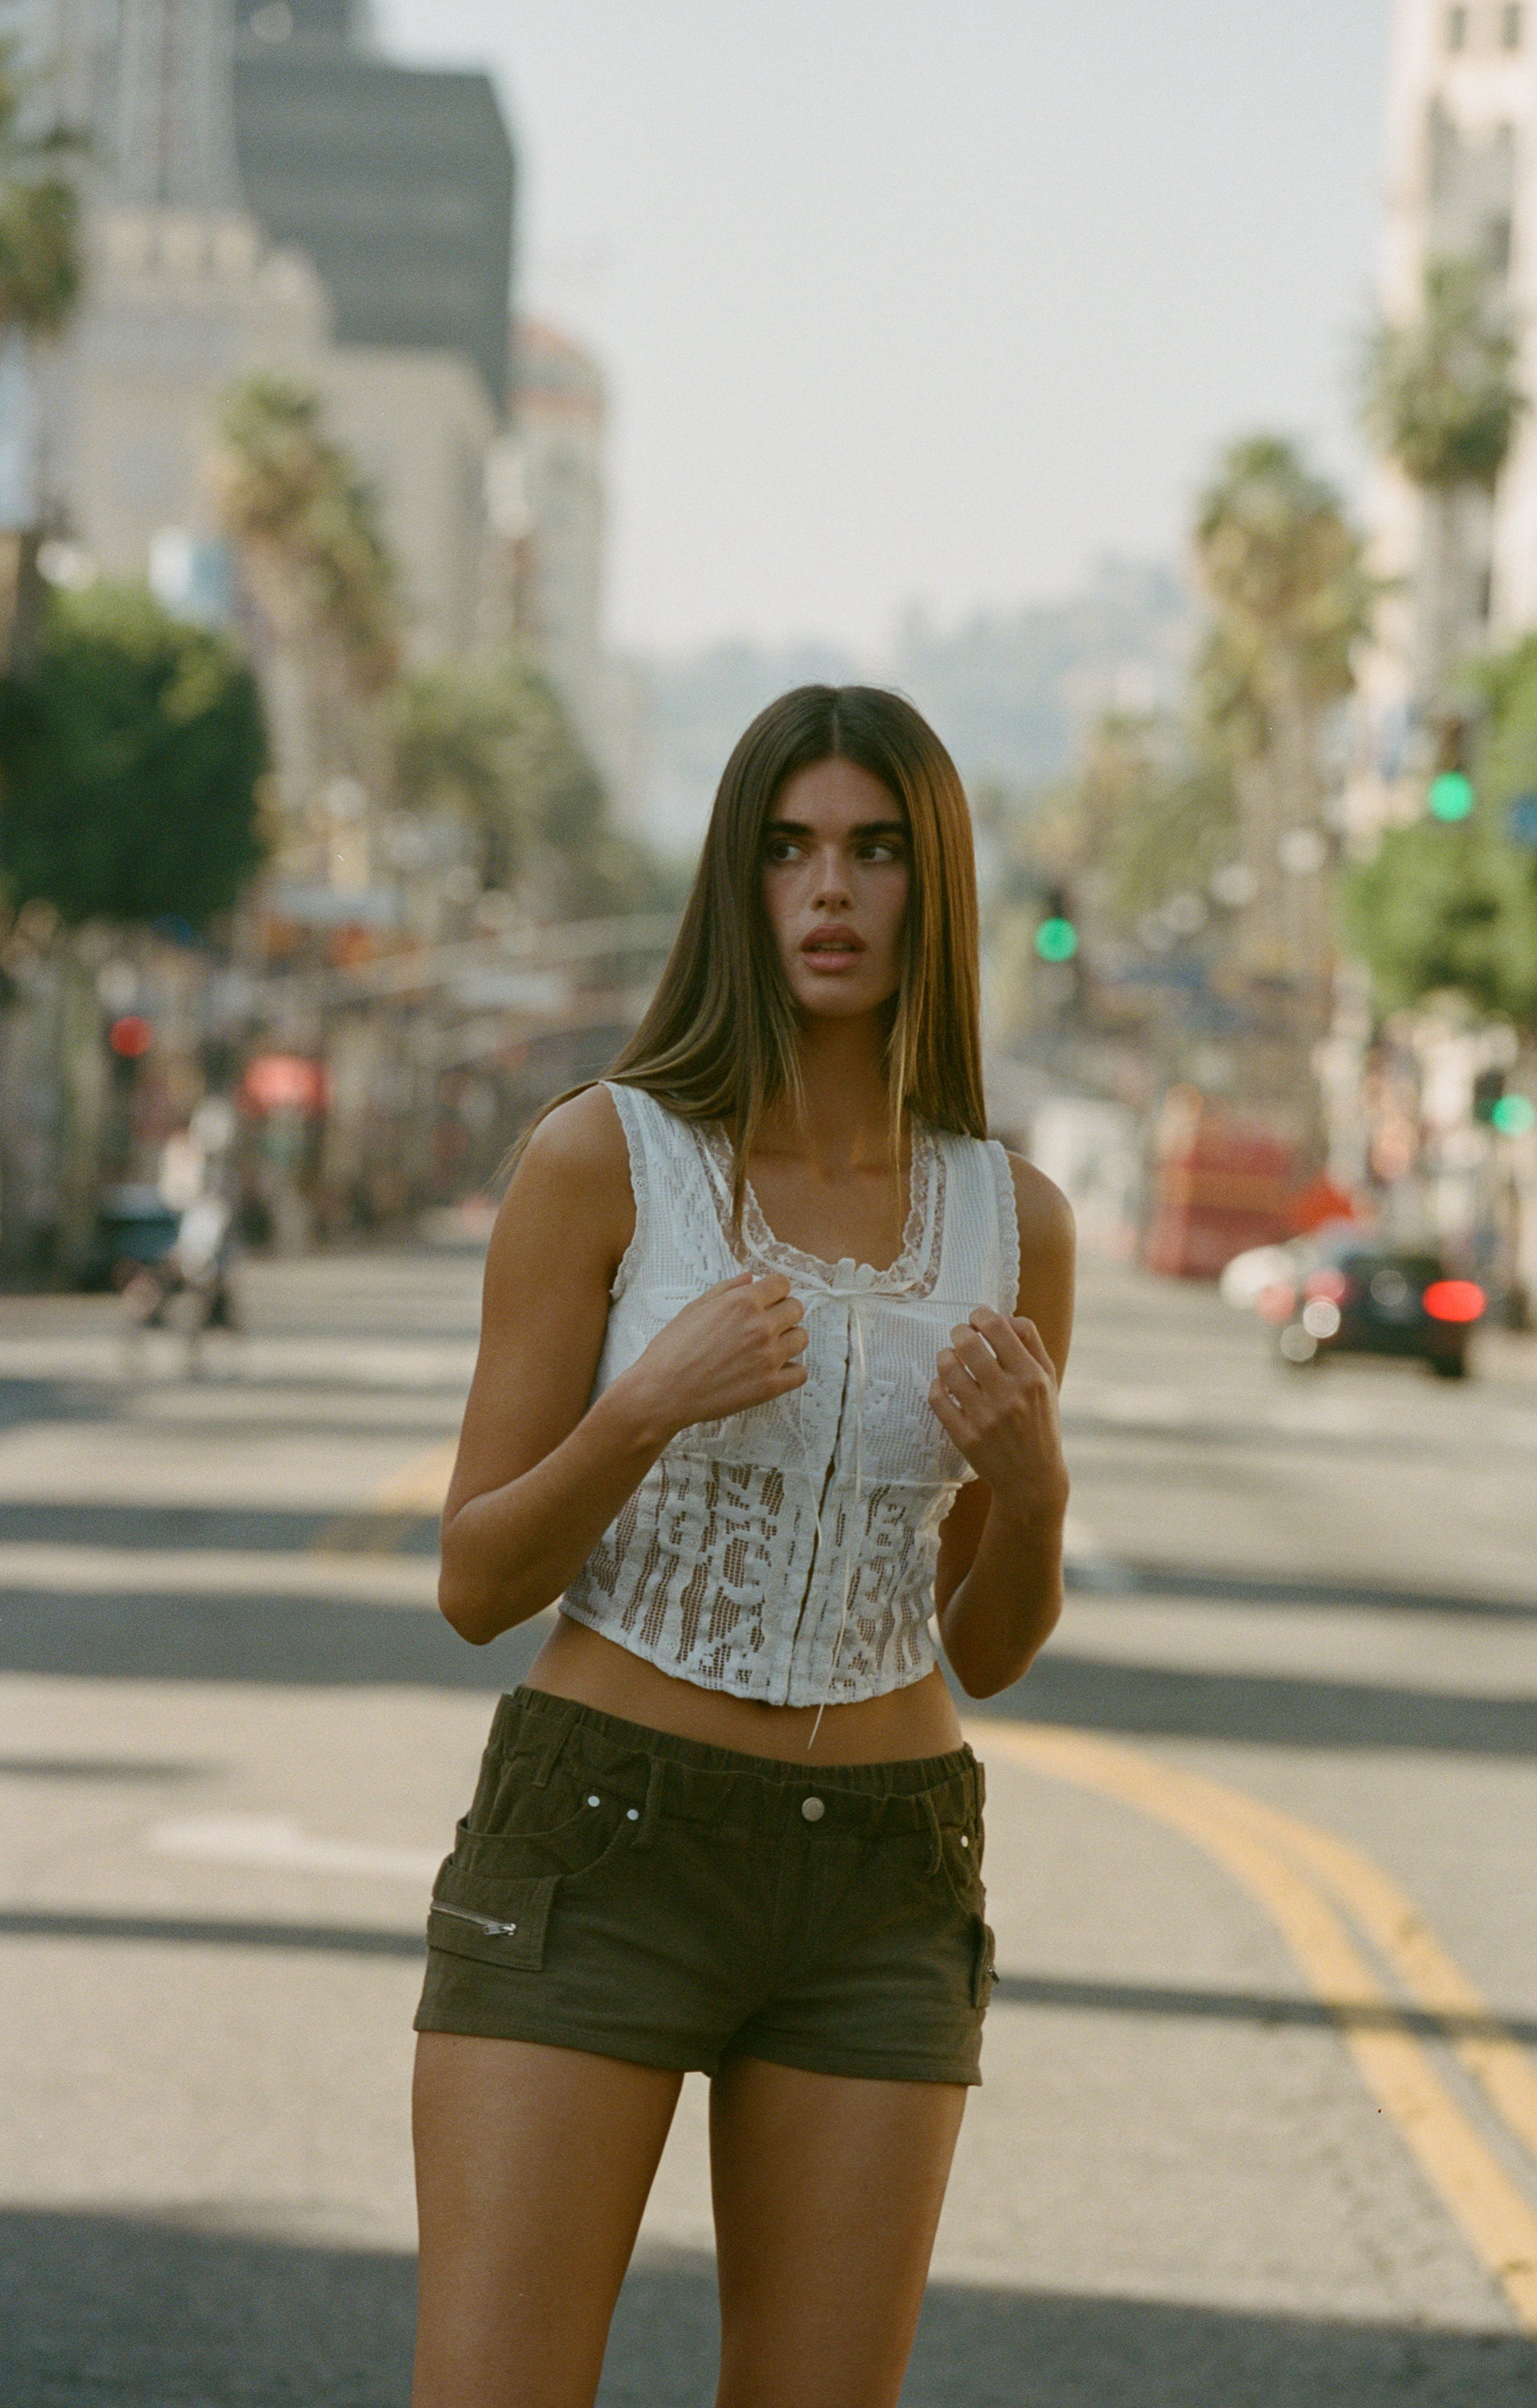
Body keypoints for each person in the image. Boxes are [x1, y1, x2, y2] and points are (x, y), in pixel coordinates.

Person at [412, 684, 1075, 2408]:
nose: (830, 891)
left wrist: (1038, 1487)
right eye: (788, 851)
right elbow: (475, 1581)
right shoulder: (602, 1159)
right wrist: (643, 1409)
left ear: (932, 884)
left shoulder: (1016, 1222)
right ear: (738, 885)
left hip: (883, 1872)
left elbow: (985, 1648)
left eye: (871, 850)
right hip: (602, 1842)